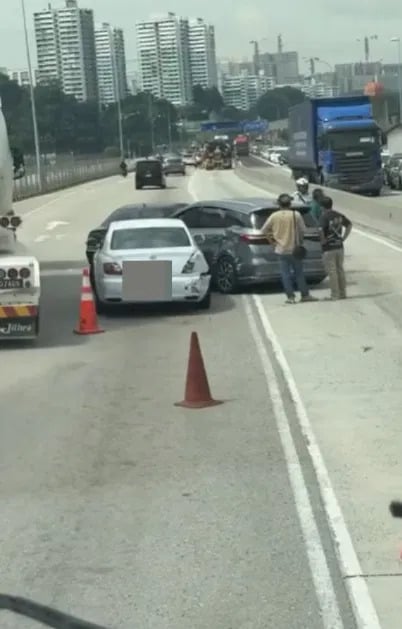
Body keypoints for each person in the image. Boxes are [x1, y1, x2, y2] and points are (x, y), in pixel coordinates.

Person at [262, 193, 317, 304]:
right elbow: (303, 230)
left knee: (285, 274)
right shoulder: (296, 215)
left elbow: (264, 230)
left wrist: (272, 242)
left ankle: (290, 297)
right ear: (290, 204)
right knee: (299, 273)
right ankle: (305, 295)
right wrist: (300, 241)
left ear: (279, 204)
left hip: (281, 249)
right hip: (295, 249)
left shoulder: (274, 216)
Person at [318, 196, 352, 300]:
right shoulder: (339, 215)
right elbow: (349, 225)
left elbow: (320, 230)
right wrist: (344, 238)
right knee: (340, 270)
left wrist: (323, 241)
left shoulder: (324, 217)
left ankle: (334, 294)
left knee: (332, 272)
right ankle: (342, 293)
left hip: (328, 248)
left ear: (322, 207)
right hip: (339, 246)